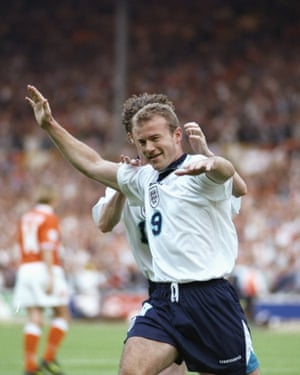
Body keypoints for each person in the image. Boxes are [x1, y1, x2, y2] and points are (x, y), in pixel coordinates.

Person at [26, 84, 260, 375]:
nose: (149, 147)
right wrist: (50, 125)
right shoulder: (142, 178)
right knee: (132, 371)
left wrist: (215, 162)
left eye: (155, 139)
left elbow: (228, 175)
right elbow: (92, 164)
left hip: (210, 299)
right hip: (164, 299)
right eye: (142, 141)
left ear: (177, 135)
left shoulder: (197, 169)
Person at [13, 184, 70, 375]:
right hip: (44, 268)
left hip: (25, 268)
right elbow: (47, 246)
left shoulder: (26, 217)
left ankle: (30, 366)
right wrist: (50, 275)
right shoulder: (49, 217)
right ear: (53, 200)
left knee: (34, 316)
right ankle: (48, 357)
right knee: (62, 314)